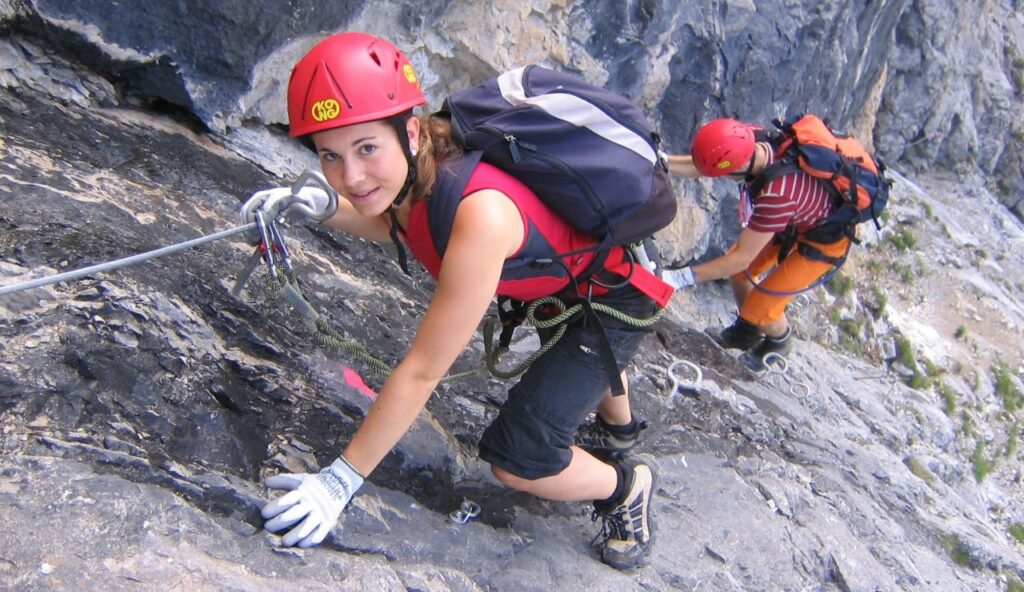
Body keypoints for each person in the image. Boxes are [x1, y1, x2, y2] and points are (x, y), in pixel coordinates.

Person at [240, 32, 671, 570]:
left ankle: (625, 485)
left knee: (521, 459)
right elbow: (404, 227)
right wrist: (318, 208)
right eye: (330, 155)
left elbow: (422, 372)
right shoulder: (424, 170)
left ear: (410, 130)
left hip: (610, 297)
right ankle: (619, 429)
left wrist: (340, 478)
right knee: (577, 354)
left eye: (366, 148)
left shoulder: (478, 213)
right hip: (569, 280)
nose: (350, 177)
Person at [661, 118, 852, 368]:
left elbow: (740, 257)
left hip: (826, 239)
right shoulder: (751, 140)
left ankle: (778, 344)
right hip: (797, 219)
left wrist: (678, 278)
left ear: (739, 167)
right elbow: (707, 164)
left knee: (762, 307)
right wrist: (662, 162)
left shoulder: (778, 194)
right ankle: (746, 331)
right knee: (741, 275)